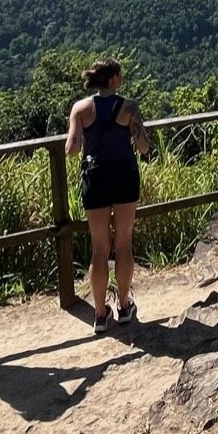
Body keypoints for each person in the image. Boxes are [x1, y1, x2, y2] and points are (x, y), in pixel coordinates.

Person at [65, 57, 151, 332]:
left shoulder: (80, 109)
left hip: (95, 178)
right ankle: (124, 305)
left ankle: (100, 314)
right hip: (124, 176)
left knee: (99, 249)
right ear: (113, 79)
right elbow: (144, 147)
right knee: (123, 243)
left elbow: (72, 149)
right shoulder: (129, 108)